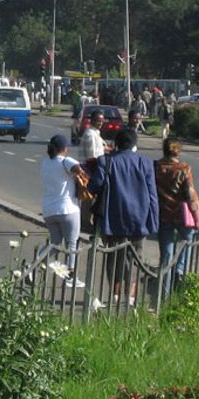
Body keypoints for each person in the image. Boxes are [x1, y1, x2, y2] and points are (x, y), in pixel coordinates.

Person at [88, 129, 158, 305]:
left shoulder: (106, 161)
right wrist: (153, 221)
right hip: (139, 219)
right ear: (135, 144)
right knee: (135, 257)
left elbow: (94, 186)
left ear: (116, 144)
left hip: (113, 218)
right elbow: (152, 194)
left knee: (114, 256)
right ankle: (131, 296)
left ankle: (116, 295)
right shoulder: (145, 162)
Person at [155, 137, 199, 298]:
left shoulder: (156, 167)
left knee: (166, 256)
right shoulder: (184, 168)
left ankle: (164, 294)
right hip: (182, 215)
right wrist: (195, 213)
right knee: (186, 242)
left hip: (163, 215)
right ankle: (181, 271)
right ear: (178, 150)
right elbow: (189, 192)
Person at [41, 134, 86, 287]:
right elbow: (78, 169)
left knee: (54, 243)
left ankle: (32, 268)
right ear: (64, 148)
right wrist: (78, 175)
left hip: (49, 210)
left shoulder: (46, 163)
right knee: (72, 244)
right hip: (68, 209)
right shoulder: (66, 161)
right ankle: (70, 276)